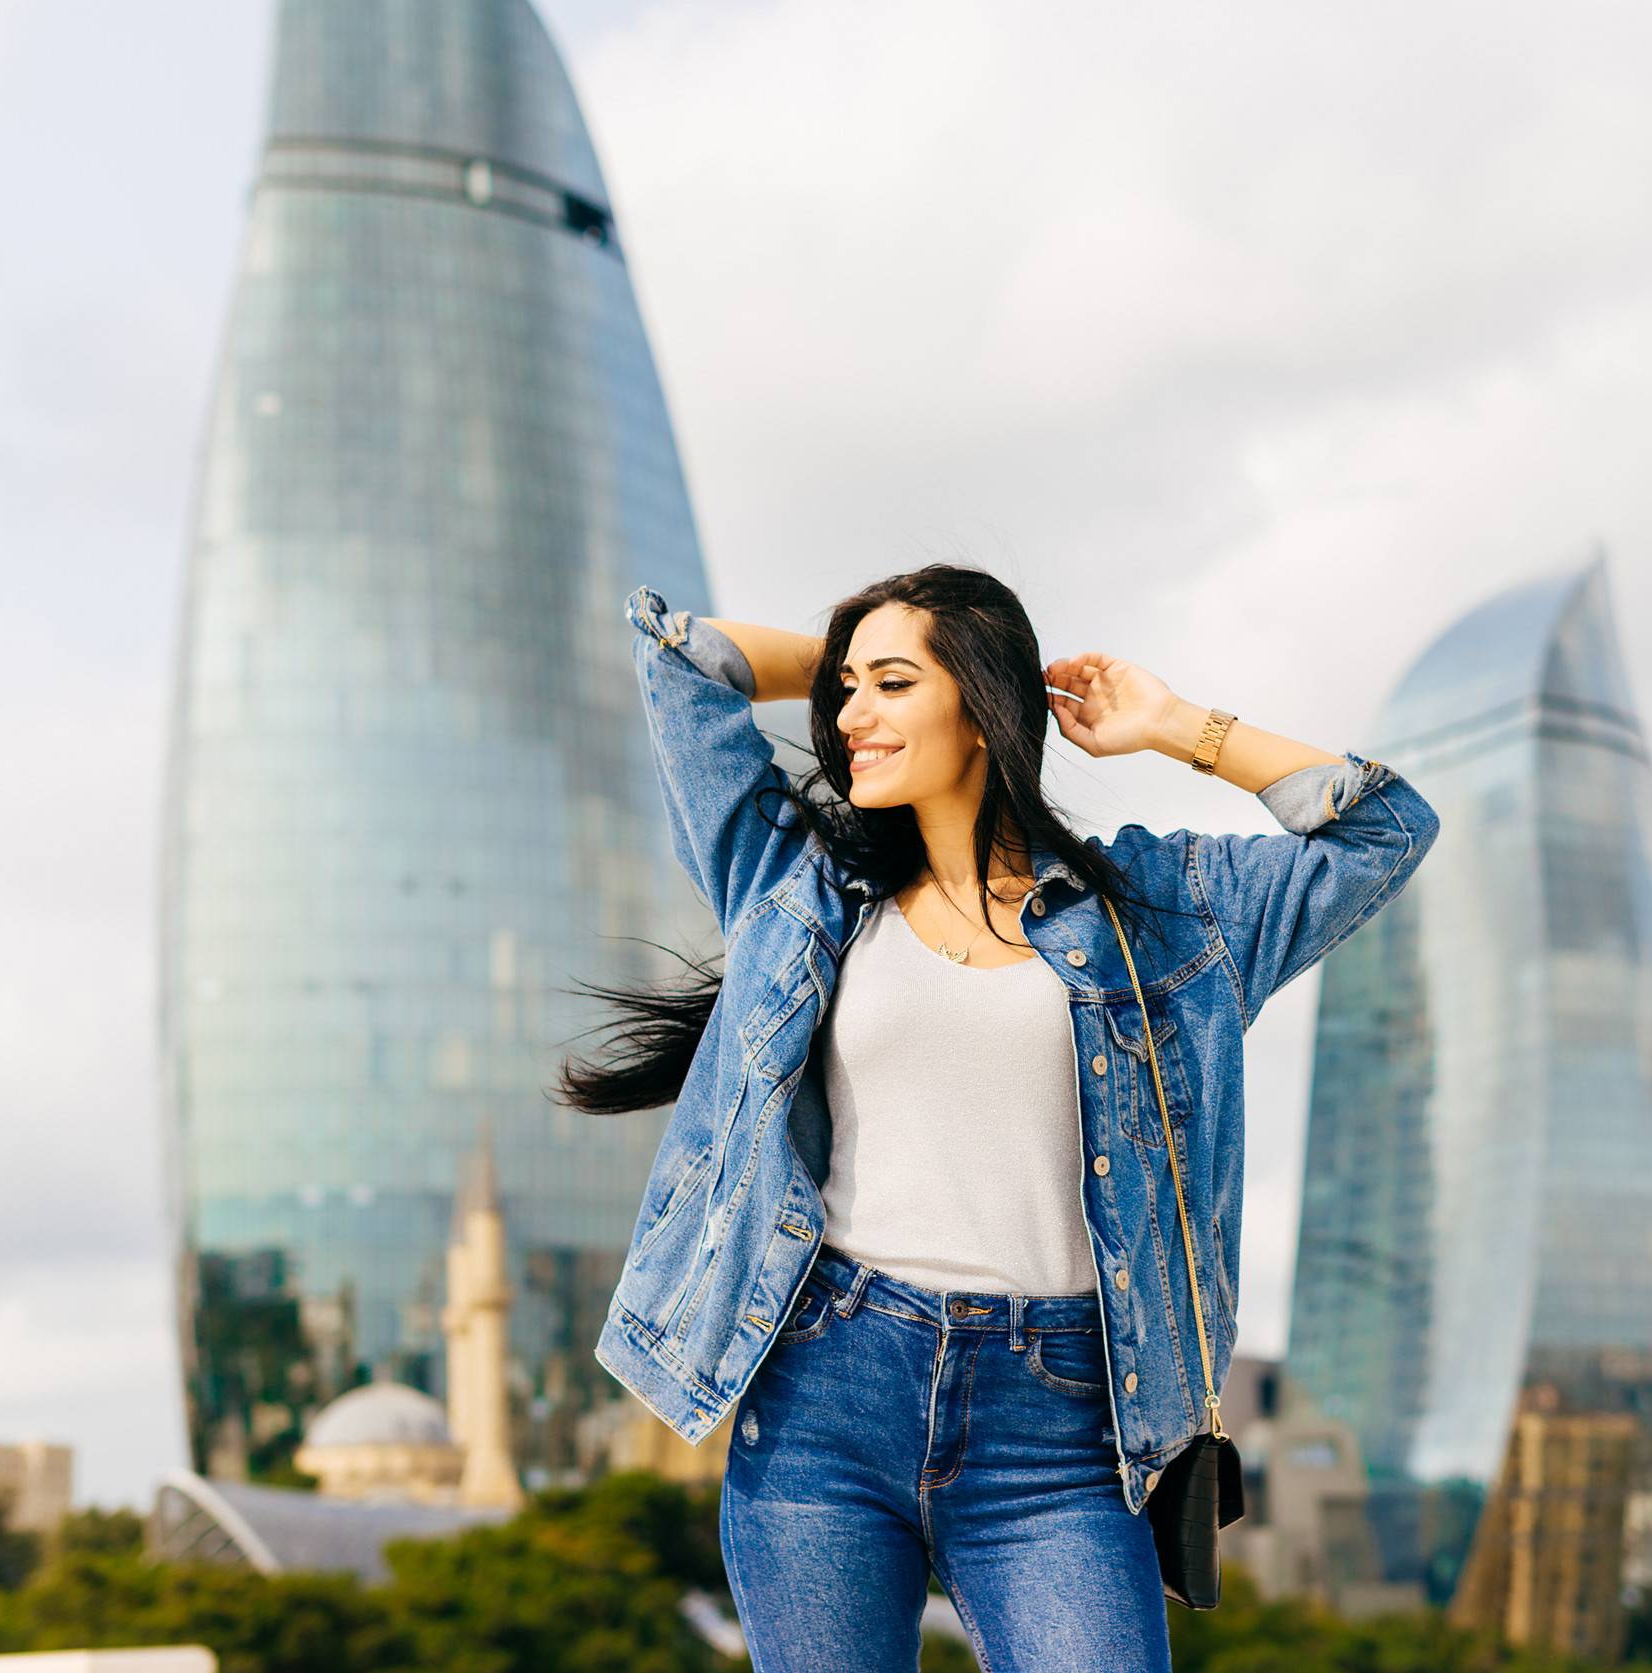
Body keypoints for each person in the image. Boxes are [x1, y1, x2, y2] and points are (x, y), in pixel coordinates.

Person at [558, 563, 1438, 1672]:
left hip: (1060, 1425)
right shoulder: (798, 886)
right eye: (841, 689)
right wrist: (842, 657)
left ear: (979, 707)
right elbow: (683, 659)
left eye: (889, 684)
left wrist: (1170, 725)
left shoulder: (1161, 917)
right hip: (827, 1390)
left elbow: (1384, 828)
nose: (846, 715)